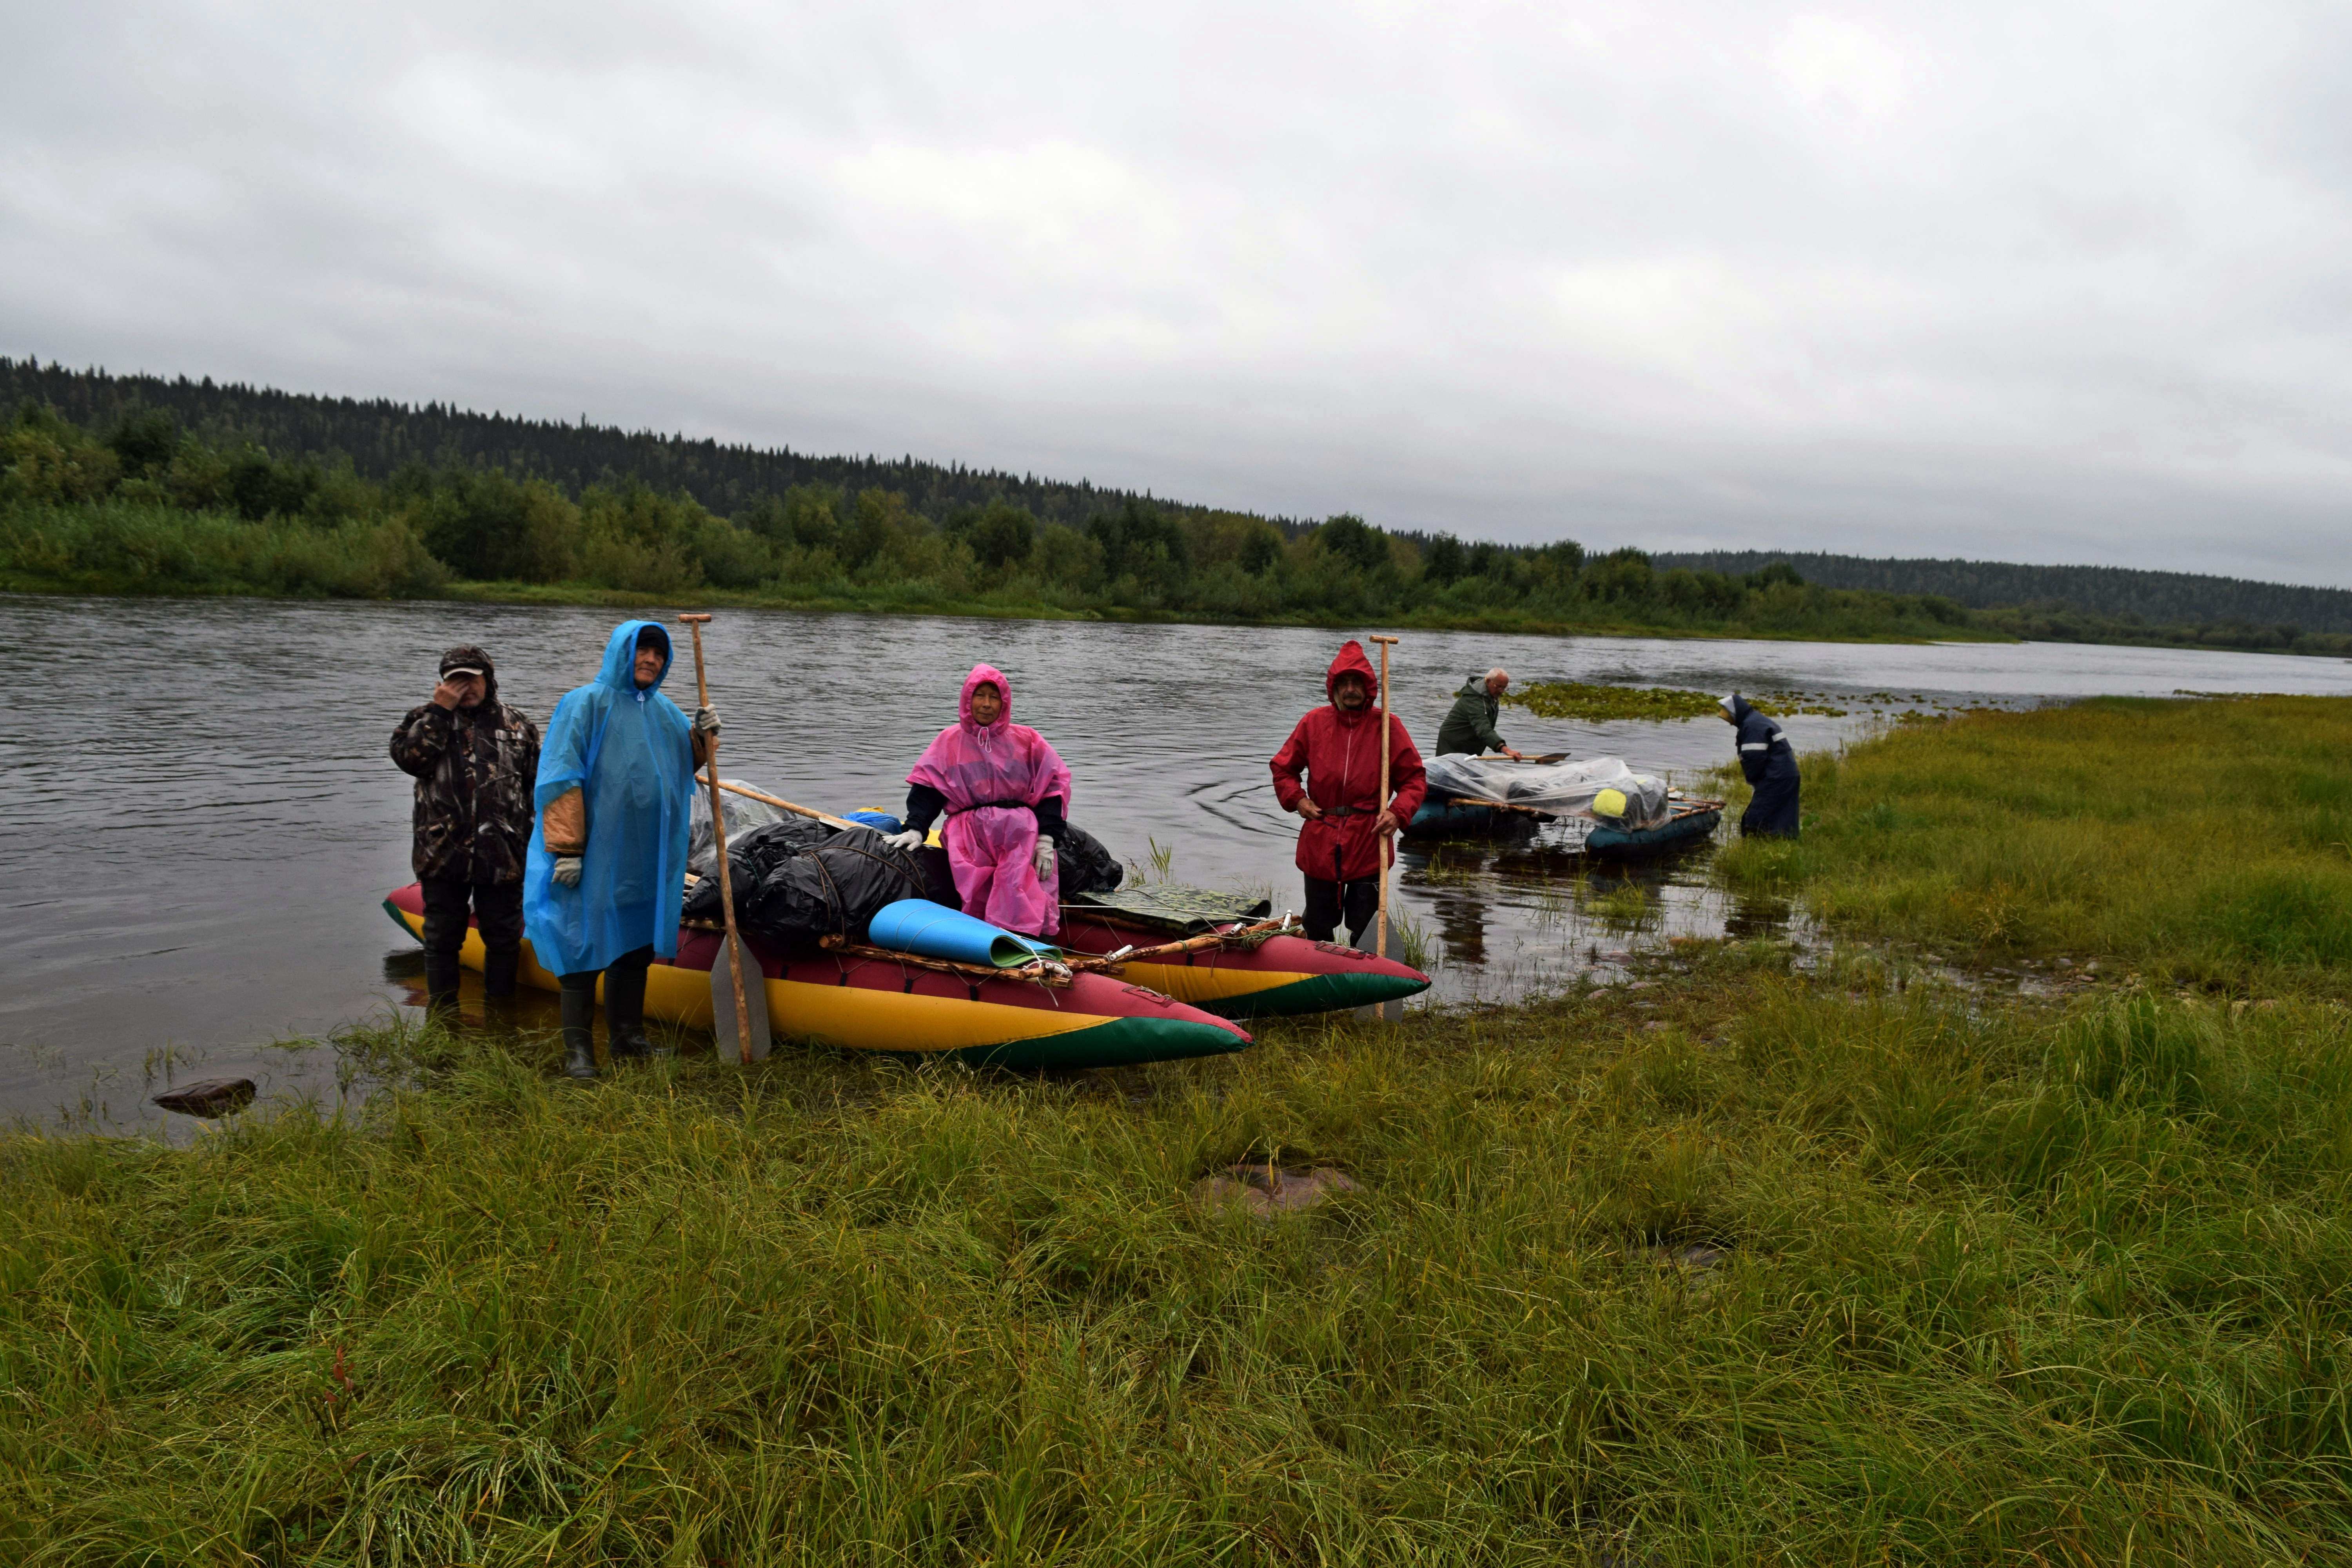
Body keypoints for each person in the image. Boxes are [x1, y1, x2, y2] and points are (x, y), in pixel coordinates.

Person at [524, 621, 719, 1079]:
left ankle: (628, 1038)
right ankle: (579, 1054)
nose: (650, 660)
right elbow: (560, 777)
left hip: (647, 854)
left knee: (634, 948)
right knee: (582, 945)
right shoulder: (584, 704)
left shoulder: (665, 711)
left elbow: (683, 764)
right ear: (621, 653)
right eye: (641, 650)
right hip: (594, 855)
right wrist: (568, 848)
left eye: (657, 653)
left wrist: (704, 737)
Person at [389, 644, 541, 1017]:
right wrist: (440, 712)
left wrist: (538, 845)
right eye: (455, 681)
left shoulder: (519, 725)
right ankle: (443, 1018)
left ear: (488, 680)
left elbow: (536, 789)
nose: (465, 688)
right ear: (442, 684)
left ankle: (500, 1015)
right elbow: (411, 761)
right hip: (443, 853)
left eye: (472, 679)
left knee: (504, 938)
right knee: (442, 939)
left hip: (503, 853)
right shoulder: (423, 720)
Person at [886, 664, 1071, 937]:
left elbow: (1051, 788)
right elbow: (929, 789)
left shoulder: (1028, 740)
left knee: (1023, 892)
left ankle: (1034, 945)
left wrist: (1047, 838)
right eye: (980, 696)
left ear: (1005, 702)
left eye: (994, 697)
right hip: (969, 836)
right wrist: (916, 828)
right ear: (967, 699)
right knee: (977, 898)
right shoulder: (948, 742)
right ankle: (980, 945)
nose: (986, 704)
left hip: (1021, 835)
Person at [1270, 641, 1427, 949]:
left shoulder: (1388, 726)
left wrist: (1398, 812)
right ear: (1335, 687)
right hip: (1321, 837)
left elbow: (1414, 778)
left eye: (1358, 683)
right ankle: (1318, 981)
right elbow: (1283, 768)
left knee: (1365, 925)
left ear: (1369, 688)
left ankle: (1363, 981)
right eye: (1345, 683)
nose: (1352, 689)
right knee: (1317, 924)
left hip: (1369, 839)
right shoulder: (1314, 723)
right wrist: (1298, 800)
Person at [1720, 693, 1800, 837]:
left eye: (1729, 719)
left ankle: (1757, 845)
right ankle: (1781, 841)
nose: (1730, 723)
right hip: (1784, 775)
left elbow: (1754, 757)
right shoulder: (1754, 721)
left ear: (1735, 713)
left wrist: (1754, 779)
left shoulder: (1752, 725)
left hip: (1776, 777)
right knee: (1781, 817)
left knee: (1755, 820)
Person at [1436, 667, 1524, 759]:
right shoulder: (1475, 700)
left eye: (1504, 688)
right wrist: (1507, 750)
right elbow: (1483, 729)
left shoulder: (1491, 694)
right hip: (1453, 743)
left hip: (1471, 742)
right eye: (1498, 687)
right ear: (1488, 681)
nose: (1501, 691)